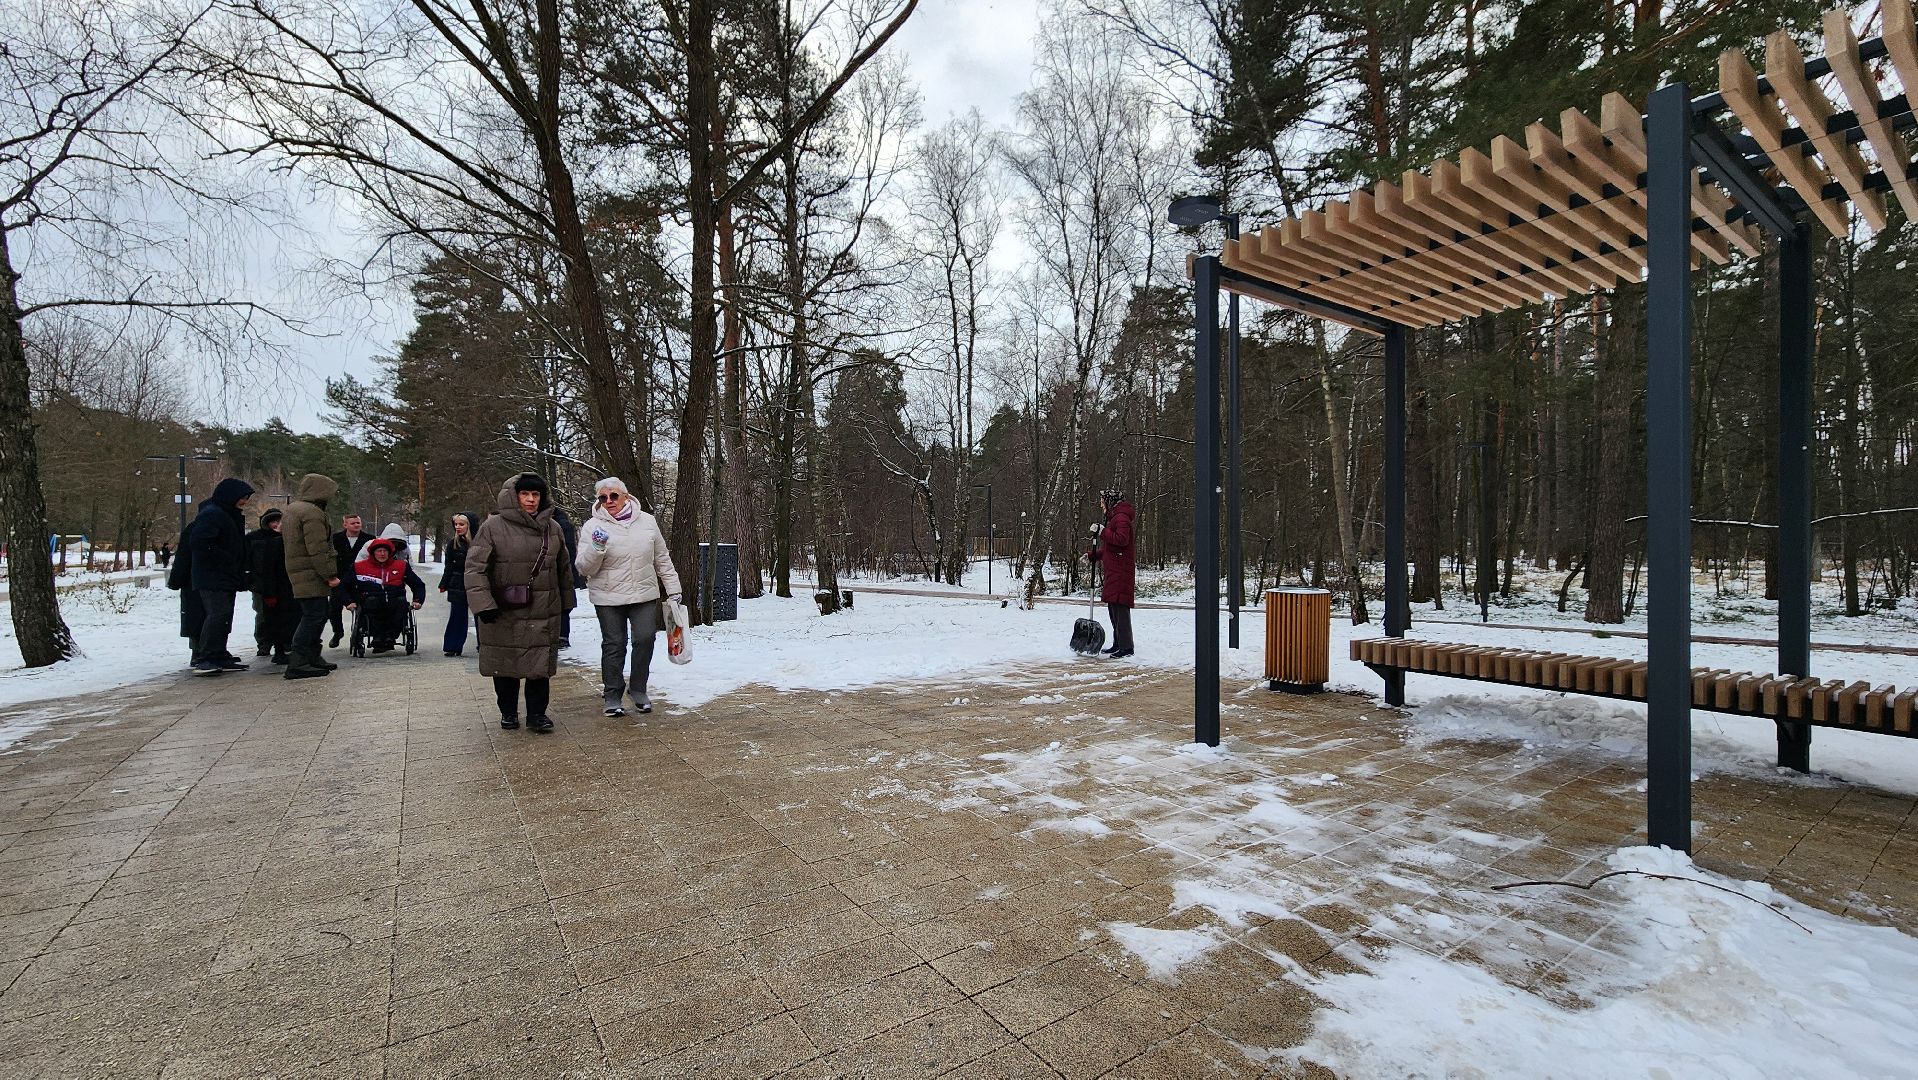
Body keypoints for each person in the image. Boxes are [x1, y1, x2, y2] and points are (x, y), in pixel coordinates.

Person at [466, 474, 575, 733]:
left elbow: (563, 569)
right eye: (525, 494)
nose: (530, 499)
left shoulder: (553, 528)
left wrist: (566, 602)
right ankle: (508, 712)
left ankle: (537, 714)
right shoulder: (493, 528)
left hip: (542, 608)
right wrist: (484, 604)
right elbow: (475, 569)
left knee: (539, 666)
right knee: (505, 663)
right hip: (503, 609)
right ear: (513, 497)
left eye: (535, 495)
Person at [575, 477, 681, 717]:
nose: (609, 501)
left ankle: (638, 689)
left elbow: (661, 557)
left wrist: (674, 588)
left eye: (613, 496)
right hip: (607, 597)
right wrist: (597, 548)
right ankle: (612, 695)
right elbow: (583, 568)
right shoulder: (592, 526)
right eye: (603, 497)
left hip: (643, 592)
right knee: (614, 644)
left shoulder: (647, 522)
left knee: (645, 639)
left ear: (625, 496)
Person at [185, 478, 255, 675]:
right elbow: (201, 543)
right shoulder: (212, 515)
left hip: (224, 575)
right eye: (242, 498)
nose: (245, 502)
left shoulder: (225, 514)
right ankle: (206, 656)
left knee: (224, 615)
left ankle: (218, 653)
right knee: (217, 614)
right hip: (213, 576)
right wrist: (228, 559)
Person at [280, 473, 341, 680]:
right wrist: (329, 574)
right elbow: (317, 548)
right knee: (313, 616)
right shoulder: (312, 513)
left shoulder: (293, 510)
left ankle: (312, 657)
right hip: (311, 573)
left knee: (317, 614)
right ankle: (299, 661)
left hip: (300, 570)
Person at [347, 539, 425, 652]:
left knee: (400, 603)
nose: (382, 554)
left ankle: (390, 636)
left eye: (385, 551)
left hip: (395, 599)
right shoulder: (359, 567)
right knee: (372, 602)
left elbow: (418, 585)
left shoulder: (401, 566)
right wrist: (349, 601)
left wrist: (417, 600)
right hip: (371, 600)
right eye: (379, 551)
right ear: (373, 552)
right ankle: (377, 636)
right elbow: (344, 586)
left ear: (390, 553)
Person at [1089, 487, 1137, 659]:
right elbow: (1111, 548)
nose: (1102, 505)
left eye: (1103, 502)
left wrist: (1103, 531)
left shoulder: (1121, 518)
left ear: (1110, 502)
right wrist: (1093, 555)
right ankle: (1118, 643)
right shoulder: (1115, 518)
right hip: (1115, 570)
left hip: (1121, 571)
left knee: (1120, 609)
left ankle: (1126, 646)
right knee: (1113, 608)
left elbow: (1121, 540)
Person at [247, 508, 298, 664]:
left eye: (279, 521)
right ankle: (264, 643)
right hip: (261, 583)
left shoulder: (289, 540)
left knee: (285, 615)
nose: (276, 525)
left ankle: (285, 644)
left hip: (284, 584)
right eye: (273, 522)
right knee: (263, 615)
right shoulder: (255, 538)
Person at [329, 514, 370, 647]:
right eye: (353, 523)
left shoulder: (368, 539)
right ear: (345, 525)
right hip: (340, 579)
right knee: (333, 609)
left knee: (364, 607)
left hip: (361, 579)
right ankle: (338, 632)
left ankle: (359, 633)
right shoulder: (336, 539)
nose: (356, 525)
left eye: (358, 523)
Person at [439, 512, 475, 656]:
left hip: (475, 582)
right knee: (457, 616)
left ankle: (483, 645)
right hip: (457, 584)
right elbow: (448, 566)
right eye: (456, 524)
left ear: (469, 526)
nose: (458, 527)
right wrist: (444, 583)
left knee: (480, 616)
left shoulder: (477, 542)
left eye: (461, 524)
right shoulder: (452, 543)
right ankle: (453, 646)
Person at [551, 497, 582, 648]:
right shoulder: (563, 523)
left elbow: (568, 551)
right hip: (563, 569)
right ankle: (562, 635)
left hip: (561, 570)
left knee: (562, 603)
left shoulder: (559, 525)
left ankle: (562, 635)